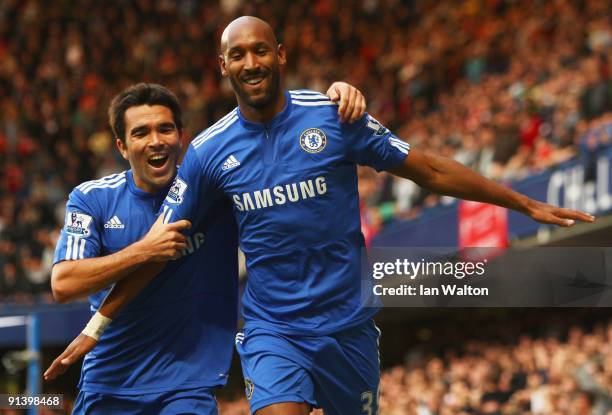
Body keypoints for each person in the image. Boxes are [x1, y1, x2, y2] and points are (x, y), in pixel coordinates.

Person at [49, 16, 594, 415]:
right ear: (223, 67)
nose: (250, 63)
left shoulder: (335, 115)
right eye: (237, 55)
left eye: (260, 51)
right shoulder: (208, 153)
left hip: (348, 323)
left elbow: (426, 169)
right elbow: (163, 248)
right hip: (272, 327)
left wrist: (521, 201)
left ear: (280, 55)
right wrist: (98, 324)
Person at [44, 80, 367, 415]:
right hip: (108, 383)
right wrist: (144, 250)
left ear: (182, 137)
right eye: (140, 133)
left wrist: (331, 99)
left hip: (188, 386)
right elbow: (64, 284)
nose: (156, 141)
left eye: (165, 129)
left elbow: (285, 177)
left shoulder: (216, 192)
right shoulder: (92, 198)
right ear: (122, 147)